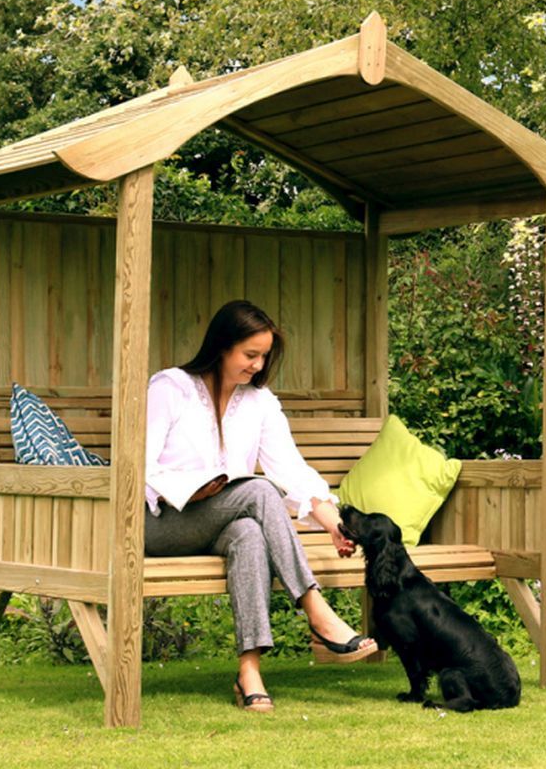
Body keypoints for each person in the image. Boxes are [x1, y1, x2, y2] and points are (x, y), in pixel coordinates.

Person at [144, 299, 378, 712]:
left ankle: (249, 673)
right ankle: (316, 612)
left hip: (219, 522)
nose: (258, 365)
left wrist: (333, 524)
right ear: (222, 346)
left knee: (250, 533)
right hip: (160, 523)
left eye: (264, 356)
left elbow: (291, 469)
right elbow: (140, 466)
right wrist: (189, 491)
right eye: (250, 354)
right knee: (259, 491)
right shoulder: (170, 388)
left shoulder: (260, 402)